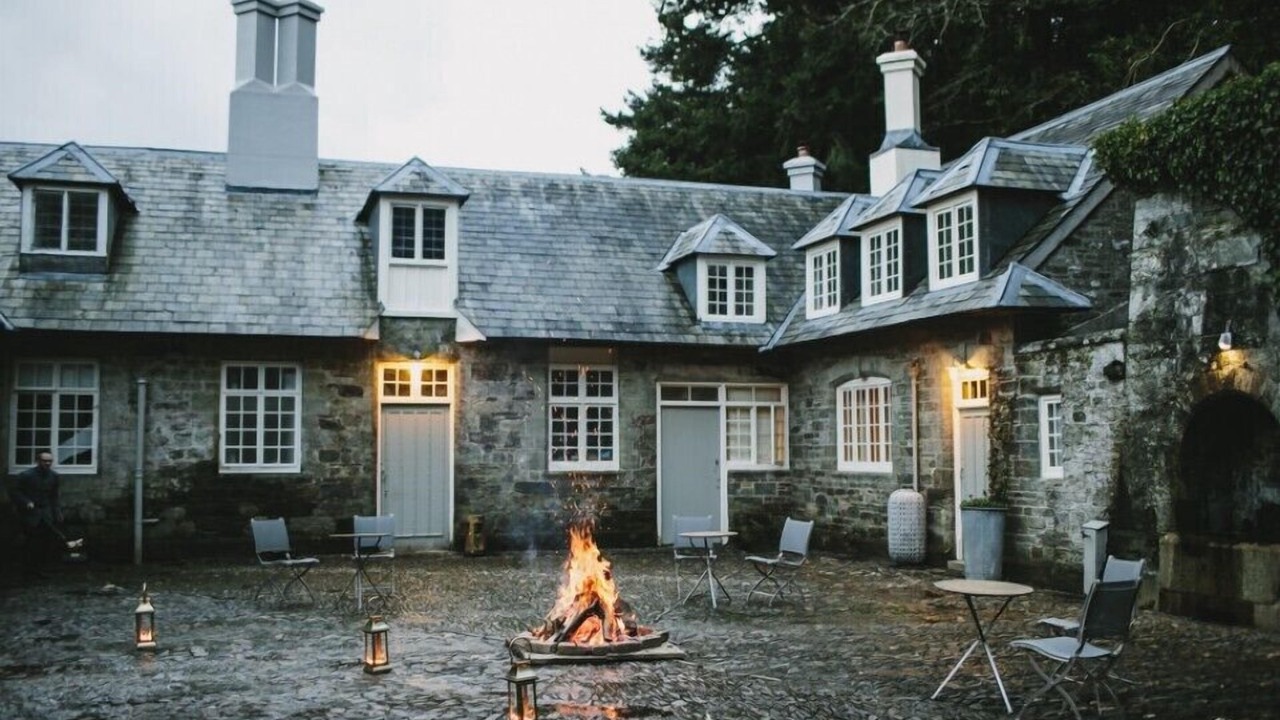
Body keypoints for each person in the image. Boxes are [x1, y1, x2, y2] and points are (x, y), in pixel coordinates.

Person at [8, 451, 65, 578]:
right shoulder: (26, 475)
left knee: (45, 542)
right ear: (38, 461)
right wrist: (26, 502)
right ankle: (27, 570)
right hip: (30, 514)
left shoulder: (54, 476)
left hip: (46, 513)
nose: (48, 463)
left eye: (50, 461)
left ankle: (38, 570)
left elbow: (54, 496)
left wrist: (57, 512)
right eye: (45, 461)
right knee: (30, 542)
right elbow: (15, 492)